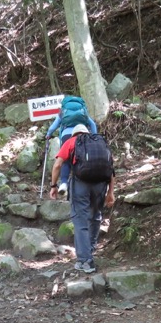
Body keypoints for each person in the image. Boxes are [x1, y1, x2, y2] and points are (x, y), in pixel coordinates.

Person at [49, 124, 115, 273]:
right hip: (100, 185)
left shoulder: (71, 142)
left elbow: (58, 165)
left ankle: (85, 260)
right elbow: (111, 168)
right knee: (95, 216)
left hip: (81, 184)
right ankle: (90, 249)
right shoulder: (100, 143)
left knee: (80, 220)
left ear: (74, 134)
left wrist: (54, 185)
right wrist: (111, 192)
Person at [46, 97, 98, 196]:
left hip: (66, 137)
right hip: (83, 136)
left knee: (65, 160)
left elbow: (53, 127)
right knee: (83, 159)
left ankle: (64, 183)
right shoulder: (83, 111)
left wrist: (48, 134)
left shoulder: (63, 112)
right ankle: (85, 183)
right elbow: (93, 124)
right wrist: (95, 137)